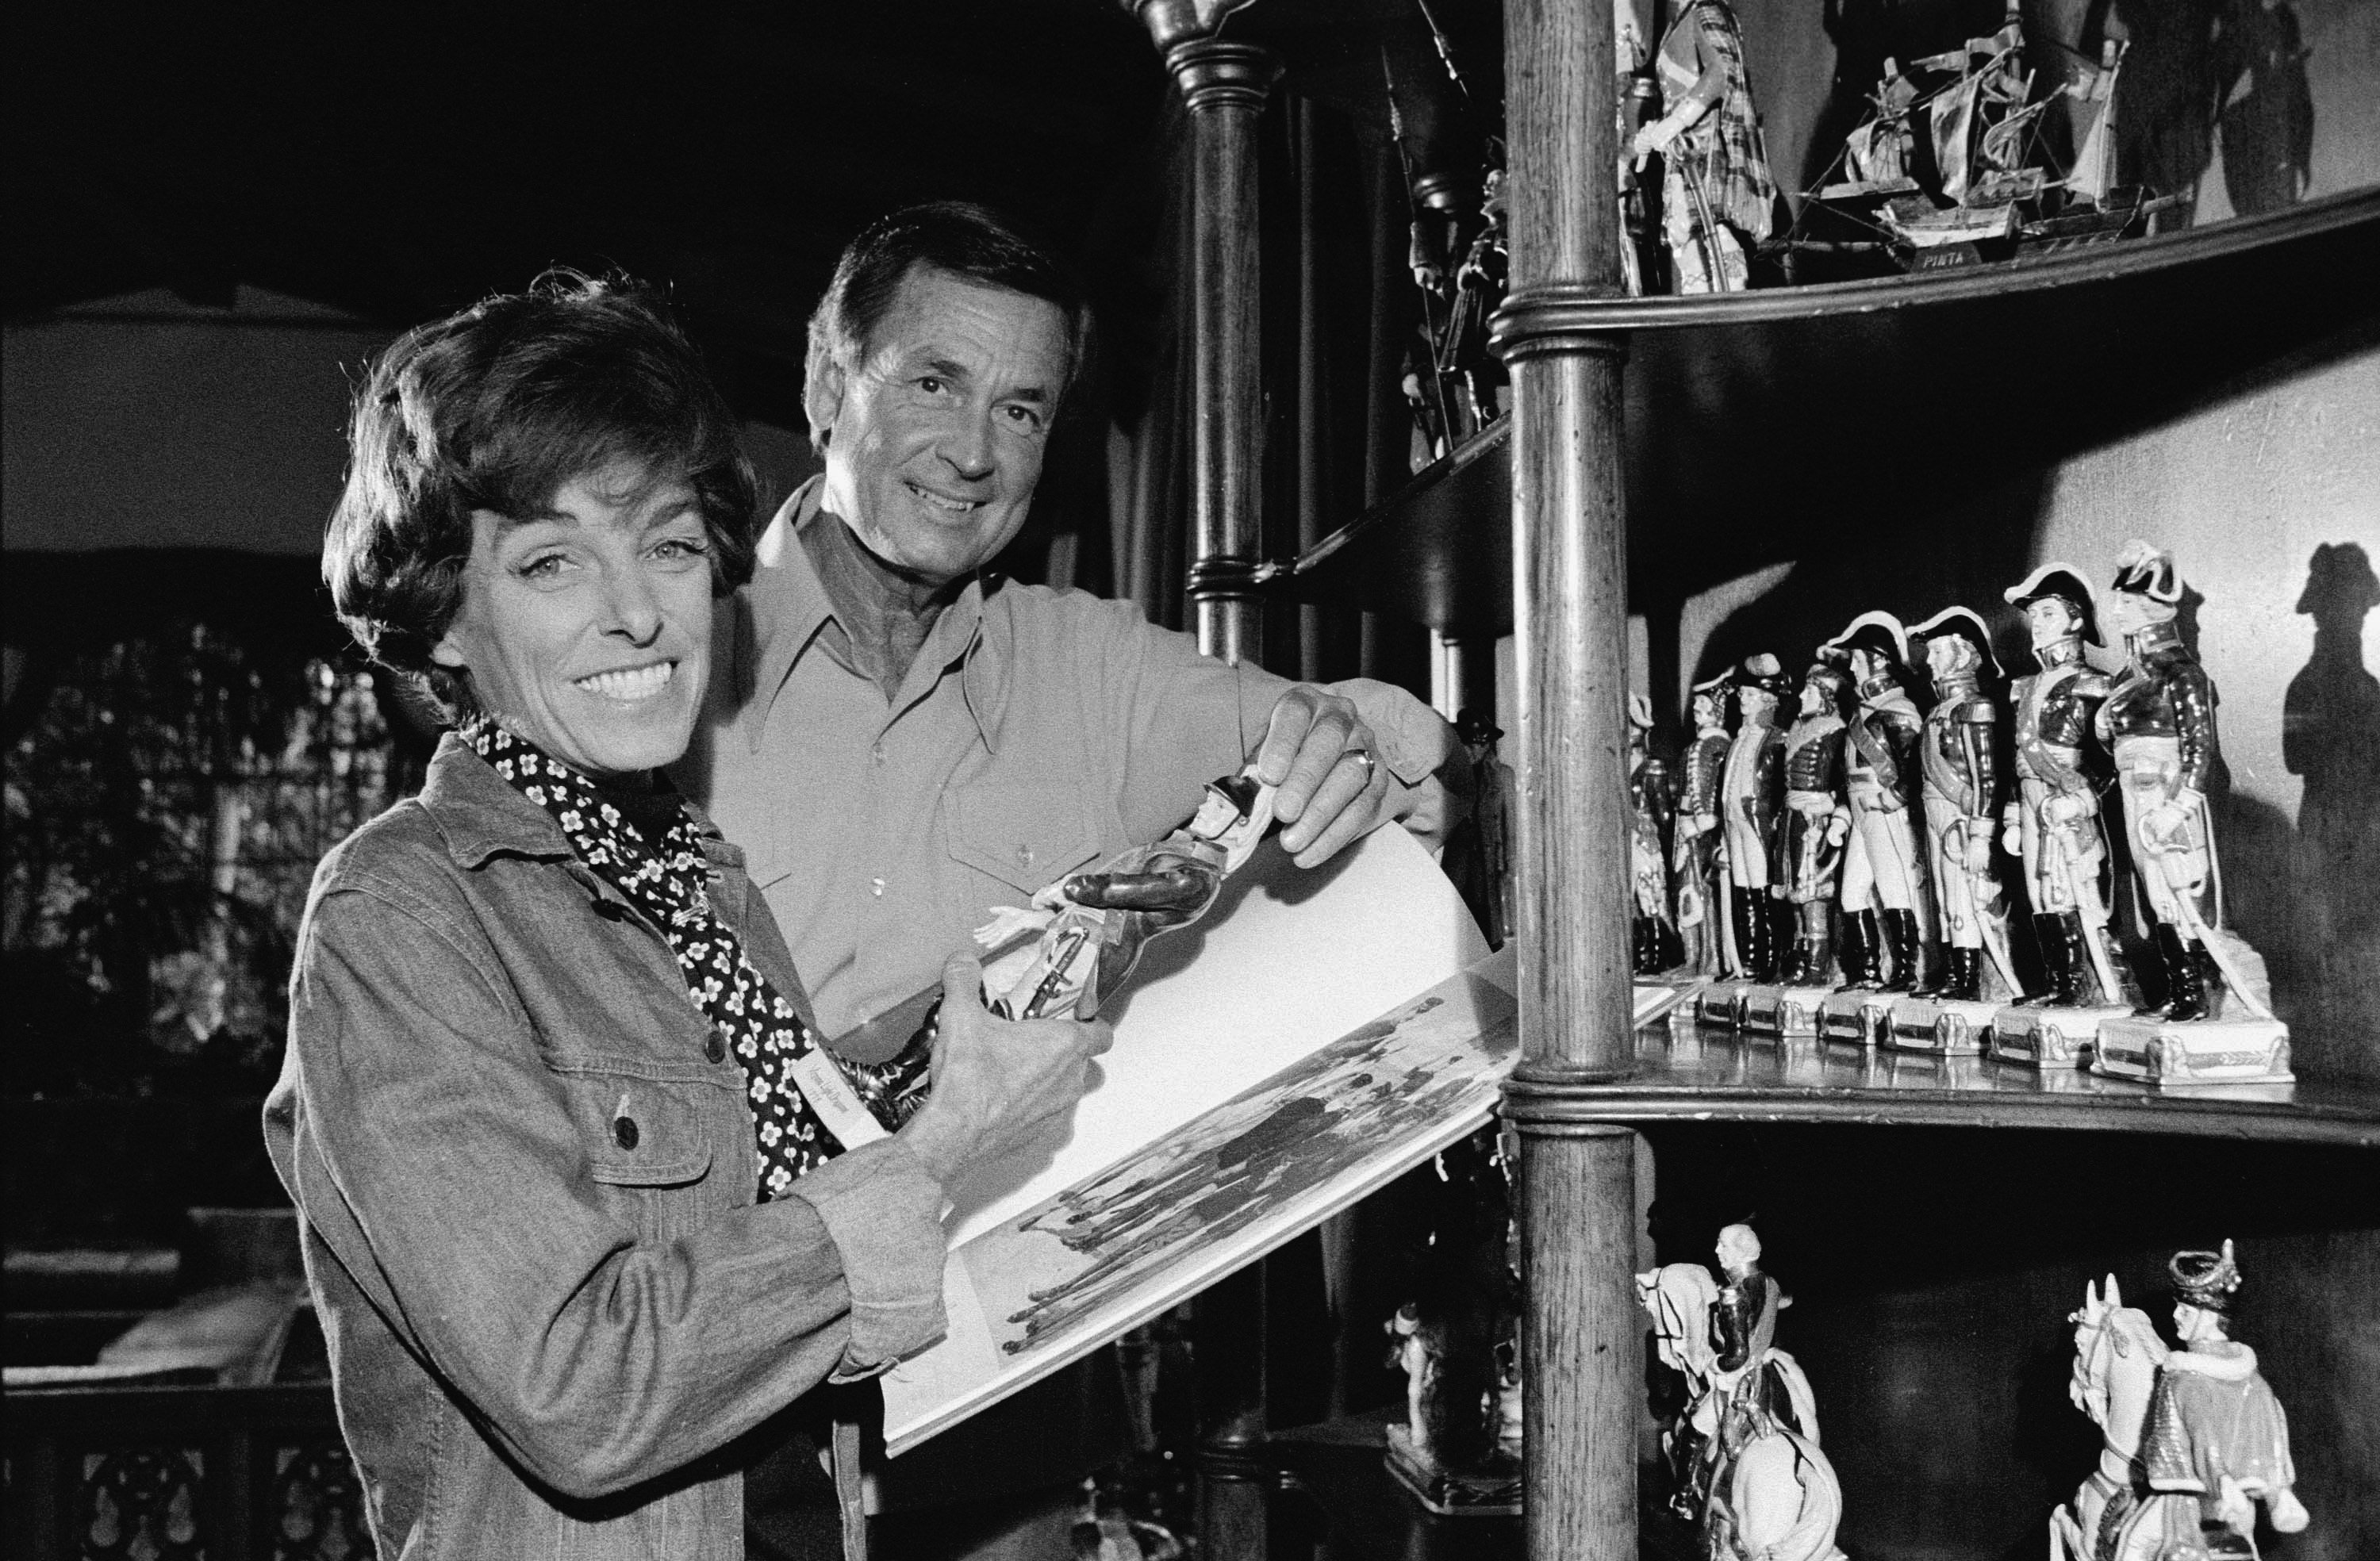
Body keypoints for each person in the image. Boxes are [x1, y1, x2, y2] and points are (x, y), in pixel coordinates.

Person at [266, 274, 1111, 1560]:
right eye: (554, 560)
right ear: (444, 614)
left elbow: (805, 1301)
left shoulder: (702, 884)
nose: (640, 610)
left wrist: (955, 1066)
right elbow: (583, 1390)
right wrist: (939, 1145)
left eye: (667, 544)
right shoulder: (405, 912)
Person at [673, 199, 1466, 1540]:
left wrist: (1348, 730)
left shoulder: (1088, 666)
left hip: (993, 1445)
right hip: (712, 1420)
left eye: (1026, 411)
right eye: (936, 382)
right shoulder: (665, 663)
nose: (976, 452)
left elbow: (1372, 741)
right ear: (825, 383)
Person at [2000, 565, 2132, 1010]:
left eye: (2048, 613)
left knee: (2074, 888)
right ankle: (2060, 982)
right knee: (2040, 891)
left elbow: (2109, 758)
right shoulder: (2022, 689)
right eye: (2034, 615)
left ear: (2076, 621)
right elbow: (2010, 759)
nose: (2037, 624)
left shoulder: (2096, 685)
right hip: (2029, 794)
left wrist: (2083, 798)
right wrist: (2014, 814)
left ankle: (2089, 985)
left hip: (2068, 799)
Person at [2140, 1241, 2309, 1552]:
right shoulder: (2248, 1377)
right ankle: (2277, 1490)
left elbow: (2191, 1431)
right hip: (2231, 1494)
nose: (2176, 1315)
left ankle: (2233, 1486)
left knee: (2132, 1542)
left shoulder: (2182, 1379)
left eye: (2185, 1309)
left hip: (2186, 1499)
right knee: (2263, 1393)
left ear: (2207, 1316)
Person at [1627, 0, 1777, 293]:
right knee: (1687, 246)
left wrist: (1674, 123)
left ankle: (1732, 315)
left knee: (1716, 234)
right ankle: (1703, 324)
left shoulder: (1706, 10)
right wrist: (1656, 128)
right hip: (1682, 152)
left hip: (1705, 147)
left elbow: (1721, 73)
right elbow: (1677, 92)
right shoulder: (1676, 24)